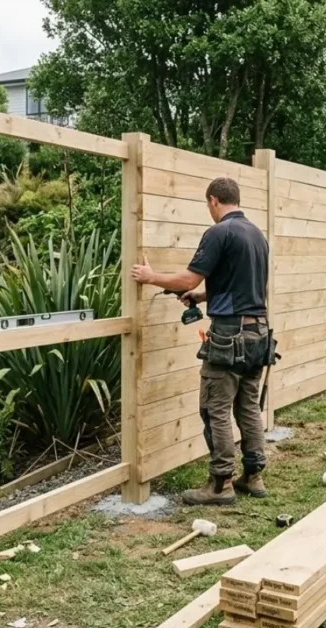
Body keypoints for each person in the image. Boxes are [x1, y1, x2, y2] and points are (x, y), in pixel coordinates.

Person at [131, 177, 272, 506]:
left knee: (214, 408)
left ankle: (221, 484)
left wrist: (151, 277)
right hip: (259, 333)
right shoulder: (256, 235)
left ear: (213, 201)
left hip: (230, 334)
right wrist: (202, 296)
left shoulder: (219, 232)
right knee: (248, 406)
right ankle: (254, 476)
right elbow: (241, 286)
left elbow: (187, 279)